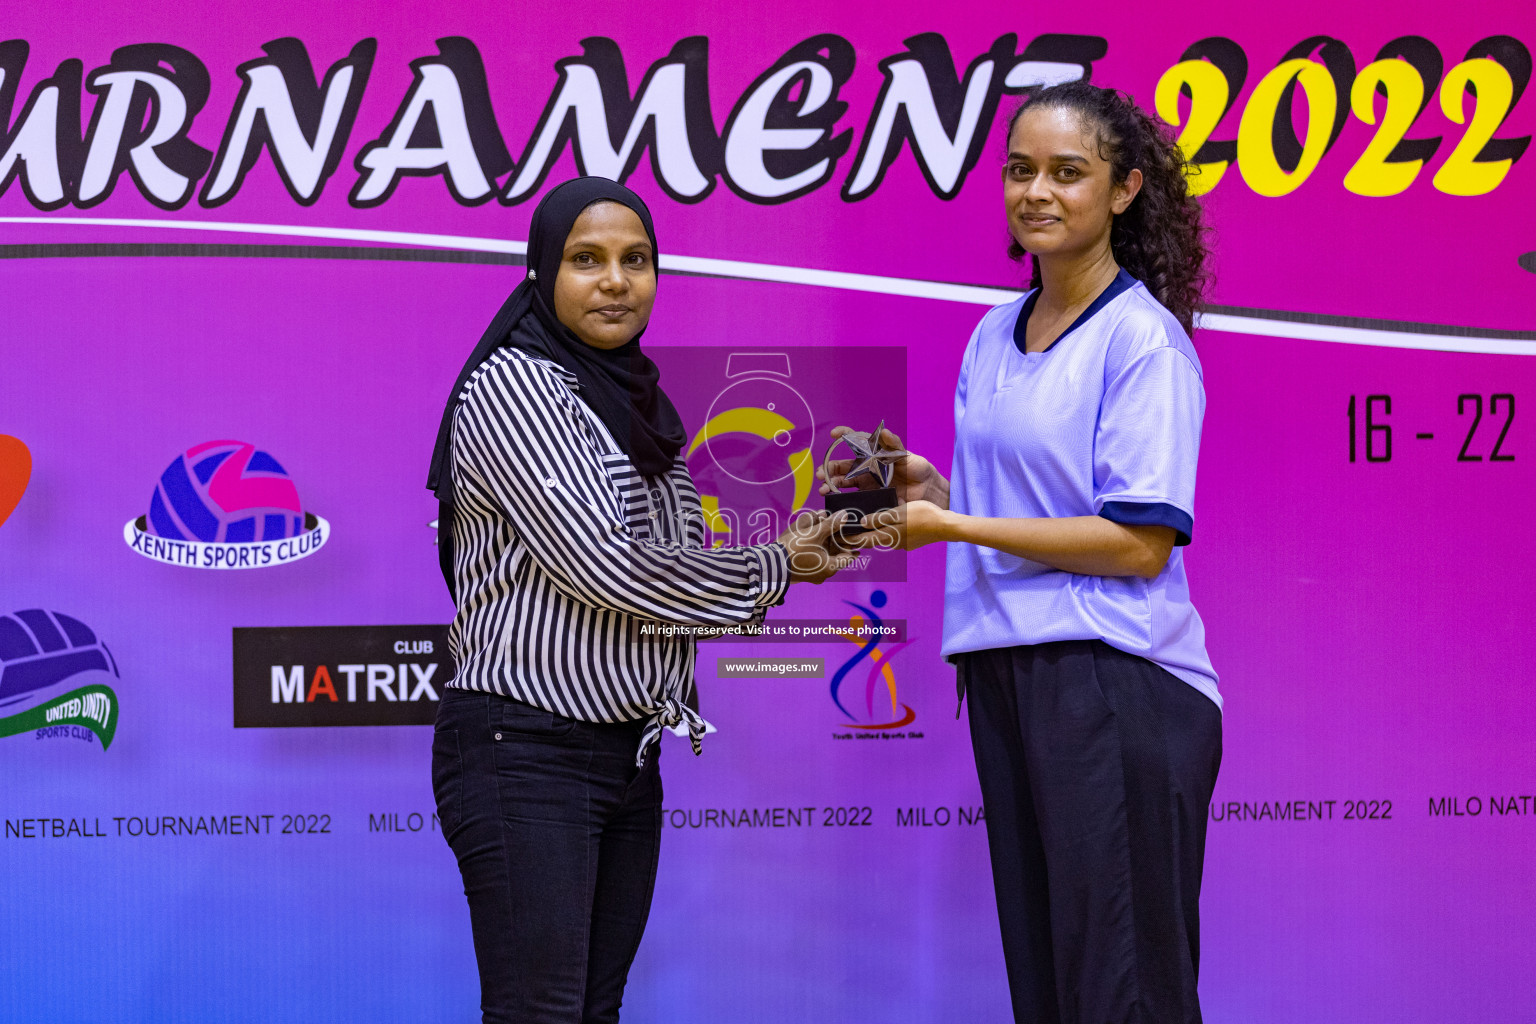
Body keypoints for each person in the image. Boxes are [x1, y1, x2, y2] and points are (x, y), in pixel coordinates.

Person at [824, 82, 1221, 1023]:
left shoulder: (1142, 341)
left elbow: (1135, 543)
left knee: (1123, 988)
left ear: (1124, 190)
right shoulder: (991, 335)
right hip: (1009, 670)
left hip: (1116, 683)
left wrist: (957, 529)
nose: (1037, 192)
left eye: (1067, 173)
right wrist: (939, 495)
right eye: (1019, 170)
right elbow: (1037, 519)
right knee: (1047, 985)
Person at [425, 176, 853, 1024]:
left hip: (625, 754)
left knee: (593, 1010)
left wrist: (816, 527)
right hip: (527, 749)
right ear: (544, 273)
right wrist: (777, 566)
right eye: (587, 260)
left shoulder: (635, 402)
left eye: (637, 260)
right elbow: (610, 569)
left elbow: (673, 568)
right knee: (540, 1012)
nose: (616, 281)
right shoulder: (520, 389)